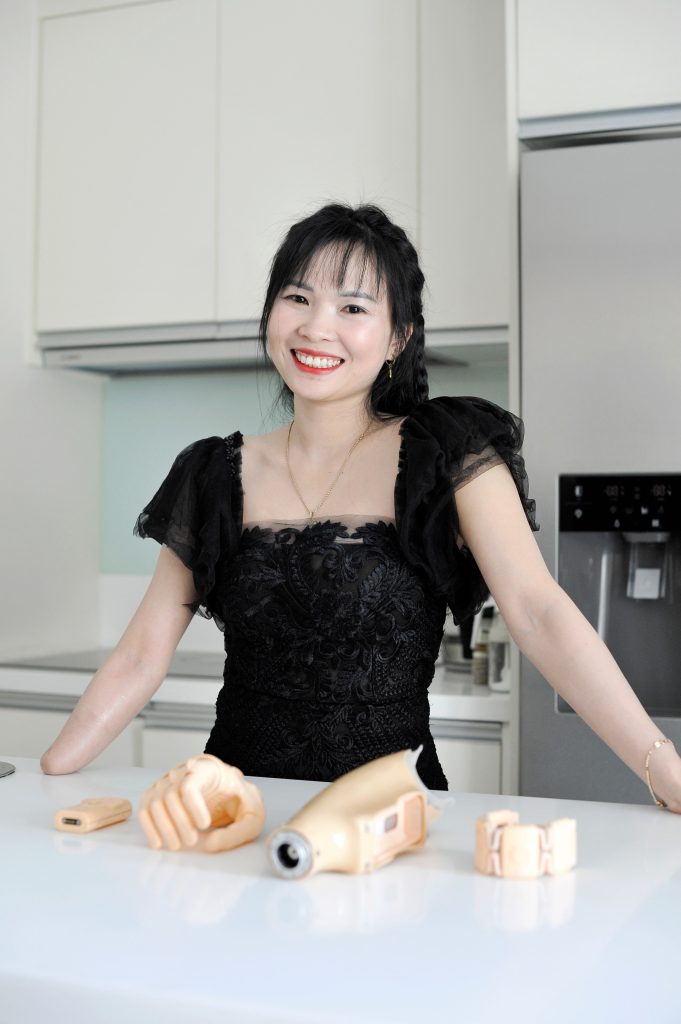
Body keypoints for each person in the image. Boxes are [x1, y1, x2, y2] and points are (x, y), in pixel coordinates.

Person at [41, 202, 681, 824]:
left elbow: (540, 614)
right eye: (298, 298)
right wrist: (49, 776)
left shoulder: (447, 453)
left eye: (353, 307)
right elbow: (140, 657)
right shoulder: (213, 474)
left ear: (399, 336)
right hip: (236, 814)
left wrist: (664, 768)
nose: (317, 327)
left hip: (392, 824)